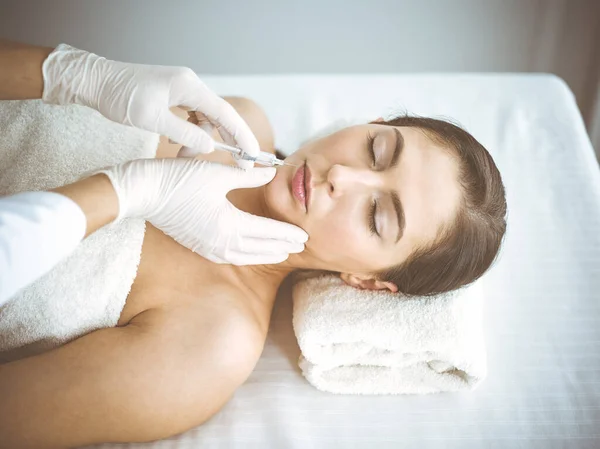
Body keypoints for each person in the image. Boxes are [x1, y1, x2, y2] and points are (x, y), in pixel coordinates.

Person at [0, 92, 507, 447]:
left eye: (377, 216)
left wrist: (130, 190)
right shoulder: (233, 119)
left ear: (370, 281)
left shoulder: (209, 346)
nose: (343, 177)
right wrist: (68, 72)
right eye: (376, 148)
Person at [0, 40, 308, 304]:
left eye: (360, 215)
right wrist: (78, 75)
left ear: (358, 279)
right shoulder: (246, 117)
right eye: (360, 145)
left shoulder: (220, 339)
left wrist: (132, 190)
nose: (339, 176)